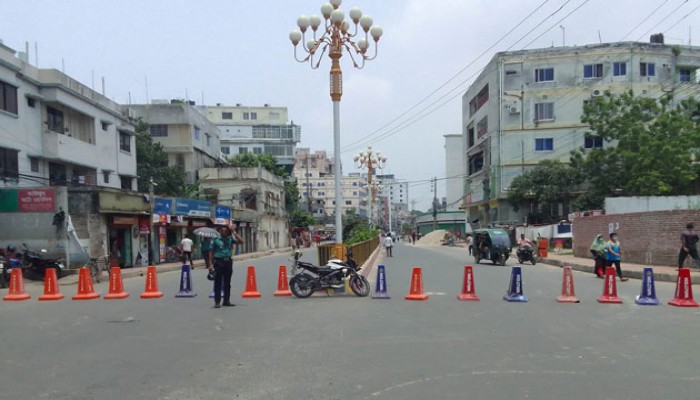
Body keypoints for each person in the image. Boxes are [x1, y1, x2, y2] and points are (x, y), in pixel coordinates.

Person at [208, 225, 244, 308]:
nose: (223, 232)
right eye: (222, 231)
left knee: (228, 283)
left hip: (228, 262)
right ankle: (217, 302)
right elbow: (210, 252)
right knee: (218, 282)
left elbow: (242, 241)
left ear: (228, 232)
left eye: (225, 231)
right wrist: (210, 264)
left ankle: (226, 301)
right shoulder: (215, 240)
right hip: (218, 262)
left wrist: (234, 232)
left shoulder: (230, 239)